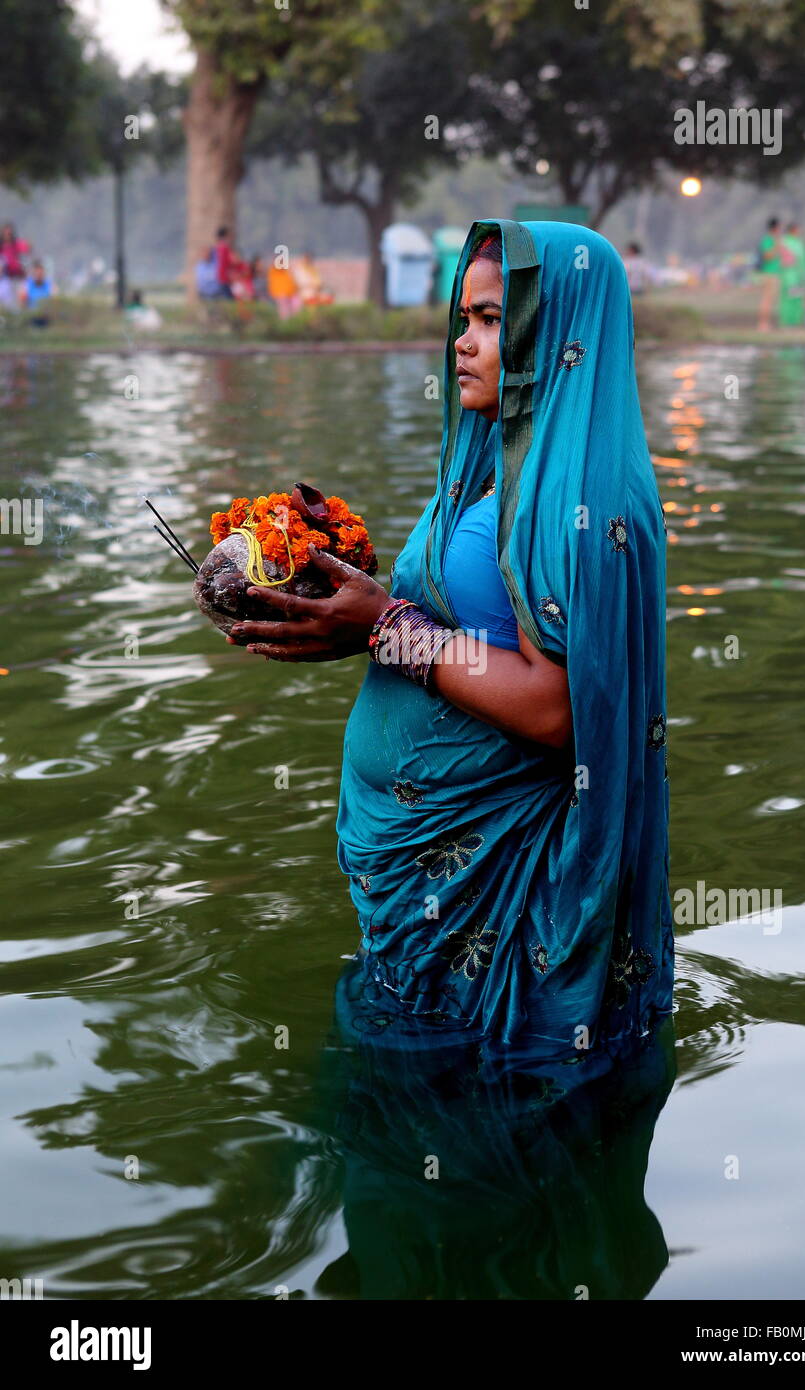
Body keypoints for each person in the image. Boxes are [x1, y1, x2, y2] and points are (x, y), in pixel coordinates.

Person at [228, 219, 674, 1069]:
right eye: (462, 319)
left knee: (468, 1143)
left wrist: (386, 628)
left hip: (496, 902)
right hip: (418, 892)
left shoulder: (586, 496)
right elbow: (454, 627)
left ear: (567, 331)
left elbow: (559, 708)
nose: (463, 346)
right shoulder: (490, 462)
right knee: (390, 1137)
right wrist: (343, 606)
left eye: (494, 321)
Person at [778, 221, 805, 327]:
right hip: (789, 276)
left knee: (798, 300)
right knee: (789, 300)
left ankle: (797, 322)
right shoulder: (785, 242)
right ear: (793, 230)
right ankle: (787, 322)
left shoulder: (799, 243)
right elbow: (783, 260)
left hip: (800, 277)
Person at [756, 216, 782, 331]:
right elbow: (767, 256)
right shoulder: (768, 240)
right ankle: (763, 324)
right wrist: (776, 246)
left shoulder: (773, 240)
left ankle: (766, 324)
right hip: (768, 273)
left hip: (774, 273)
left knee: (770, 300)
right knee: (766, 300)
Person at [0, 221, 31, 310]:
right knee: (8, 301)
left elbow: (27, 250)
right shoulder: (1, 246)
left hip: (19, 277)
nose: (8, 235)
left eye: (9, 233)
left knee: (22, 298)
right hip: (6, 278)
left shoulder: (17, 244)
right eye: (6, 233)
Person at [22, 260, 53, 327]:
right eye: (37, 273)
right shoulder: (28, 285)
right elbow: (23, 301)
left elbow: (53, 300)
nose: (39, 275)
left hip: (45, 318)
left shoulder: (48, 285)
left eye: (41, 273)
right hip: (31, 317)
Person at [213, 226, 237, 300]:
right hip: (224, 278)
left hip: (218, 277)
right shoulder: (225, 248)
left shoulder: (216, 248)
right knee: (229, 300)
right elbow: (233, 261)